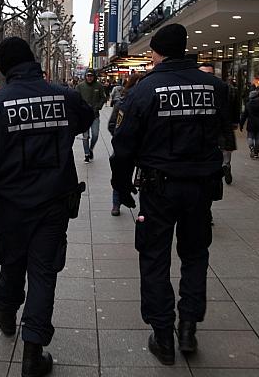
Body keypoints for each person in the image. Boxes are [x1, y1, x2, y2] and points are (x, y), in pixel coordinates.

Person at [0, 37, 94, 377]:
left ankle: (5, 308)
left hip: (12, 205)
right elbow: (86, 116)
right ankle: (33, 351)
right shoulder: (63, 96)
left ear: (4, 70)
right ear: (32, 60)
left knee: (13, 262)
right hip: (54, 204)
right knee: (44, 273)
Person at [110, 24, 235, 366]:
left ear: (158, 52)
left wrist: (120, 186)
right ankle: (189, 327)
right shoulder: (216, 87)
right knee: (195, 255)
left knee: (154, 256)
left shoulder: (145, 90)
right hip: (201, 188)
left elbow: (123, 146)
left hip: (158, 187)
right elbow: (227, 130)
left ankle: (163, 335)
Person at [107, 73, 143, 216]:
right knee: (119, 174)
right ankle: (116, 203)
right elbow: (112, 124)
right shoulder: (122, 103)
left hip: (143, 149)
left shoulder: (148, 103)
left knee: (144, 179)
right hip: (125, 148)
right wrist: (122, 138)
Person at [198, 63, 238, 183]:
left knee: (224, 146)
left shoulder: (225, 88)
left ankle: (225, 166)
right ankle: (222, 166)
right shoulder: (194, 90)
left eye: (209, 74)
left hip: (221, 124)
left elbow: (233, 106)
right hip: (203, 128)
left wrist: (235, 121)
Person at [76, 68, 105, 163]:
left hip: (95, 115)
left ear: (94, 76)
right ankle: (86, 154)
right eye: (88, 76)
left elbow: (103, 98)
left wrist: (98, 106)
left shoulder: (99, 86)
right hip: (84, 116)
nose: (89, 78)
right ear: (85, 76)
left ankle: (91, 149)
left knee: (95, 135)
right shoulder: (80, 86)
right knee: (85, 136)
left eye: (91, 76)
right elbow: (76, 98)